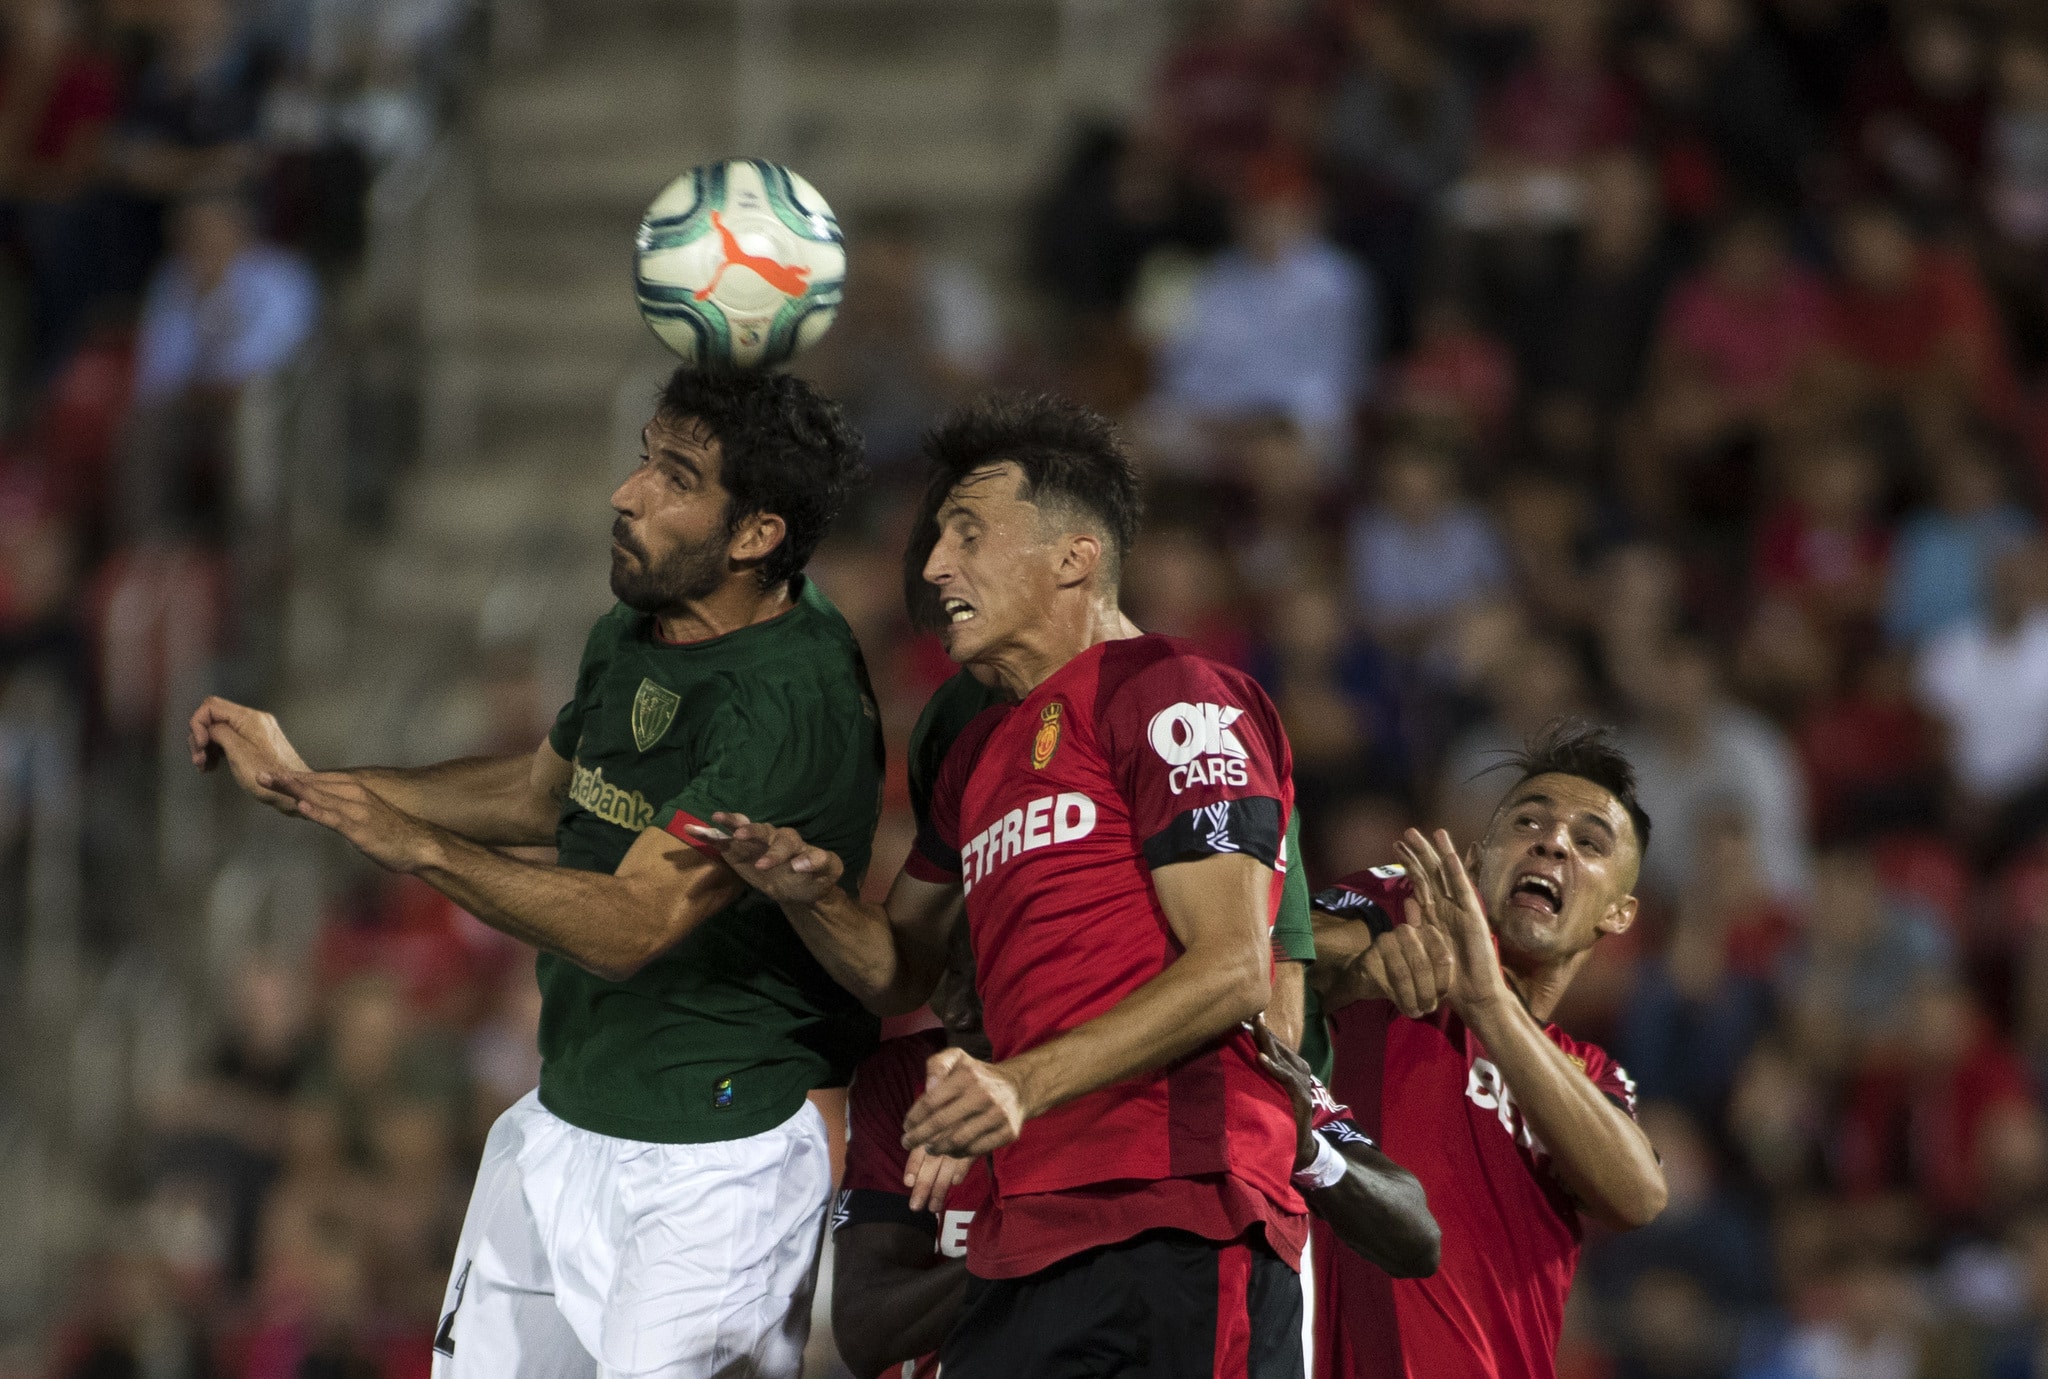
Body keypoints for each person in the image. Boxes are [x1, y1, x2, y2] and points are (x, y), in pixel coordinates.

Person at [186, 366, 883, 1379]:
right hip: (564, 1116)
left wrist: (415, 845)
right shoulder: (631, 631)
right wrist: (311, 784)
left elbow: (634, 922)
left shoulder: (790, 700)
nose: (627, 491)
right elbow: (539, 793)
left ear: (754, 534)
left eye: (673, 477)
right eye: (644, 456)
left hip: (713, 1159)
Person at [697, 394, 1312, 1377]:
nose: (937, 565)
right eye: (938, 536)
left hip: (1172, 1216)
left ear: (1072, 556)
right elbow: (900, 967)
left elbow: (1234, 965)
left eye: (969, 533)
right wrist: (806, 892)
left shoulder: (1172, 691)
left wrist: (1017, 1080)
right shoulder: (983, 758)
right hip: (1021, 1242)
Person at [1307, 720, 1668, 1378]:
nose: (1553, 843)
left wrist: (1488, 1003)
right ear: (1476, 860)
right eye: (1528, 823)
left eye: (1589, 842)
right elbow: (1275, 947)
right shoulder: (1405, 905)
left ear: (1618, 912)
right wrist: (1363, 966)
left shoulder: (1590, 1071)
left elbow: (1638, 1196)